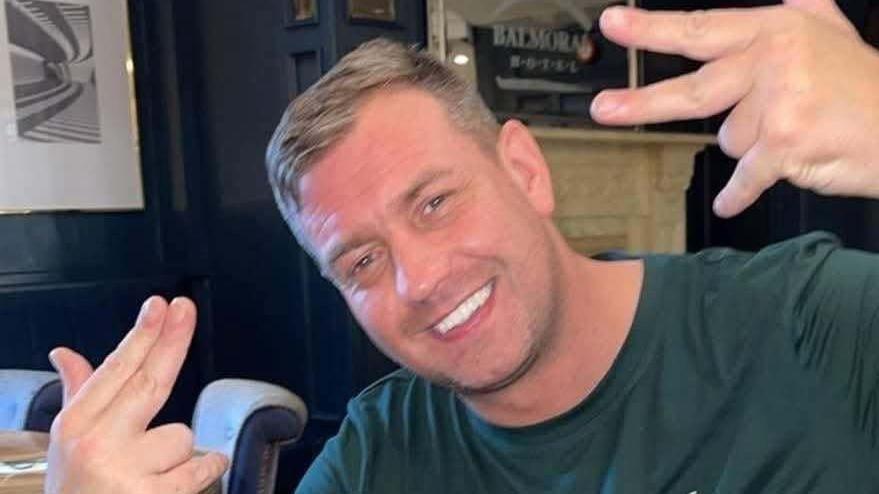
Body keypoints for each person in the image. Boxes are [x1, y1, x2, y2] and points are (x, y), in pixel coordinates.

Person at [43, 1, 879, 492]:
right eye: (362, 261)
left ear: (523, 169)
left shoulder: (812, 324)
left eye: (435, 201)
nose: (420, 278)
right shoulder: (383, 450)